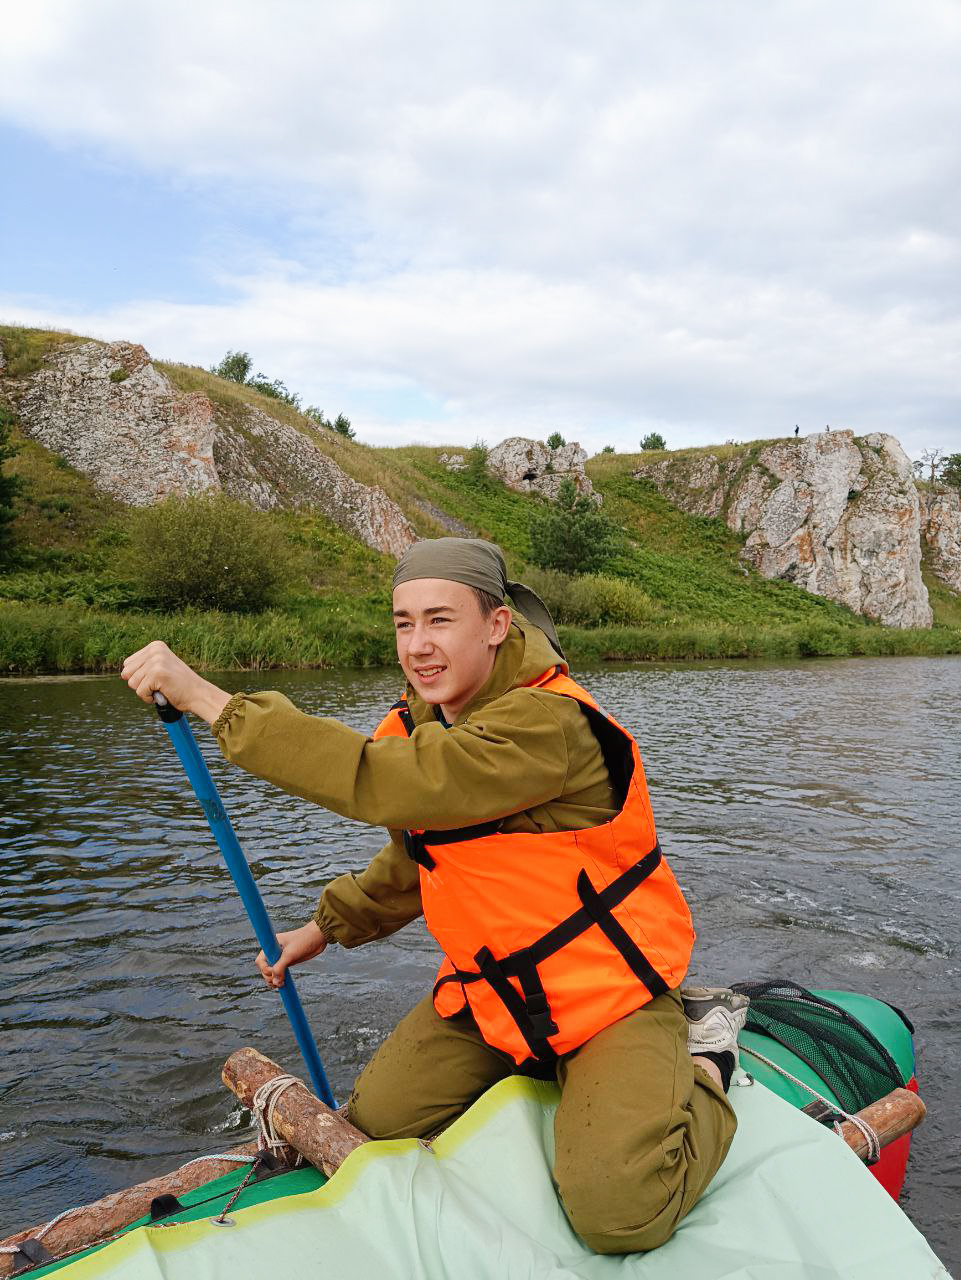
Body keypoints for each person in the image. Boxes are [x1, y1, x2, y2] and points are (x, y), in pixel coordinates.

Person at [120, 537, 743, 1255]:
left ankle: (705, 1055)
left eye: (440, 620)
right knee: (374, 1127)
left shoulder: (550, 725)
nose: (418, 645)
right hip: (496, 993)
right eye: (403, 622)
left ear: (497, 626)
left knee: (620, 1215)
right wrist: (323, 928)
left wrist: (206, 698)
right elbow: (423, 858)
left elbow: (385, 780)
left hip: (610, 995)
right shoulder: (425, 719)